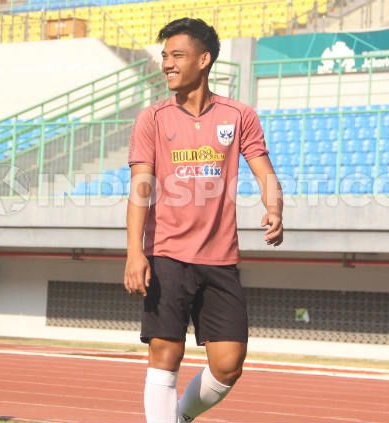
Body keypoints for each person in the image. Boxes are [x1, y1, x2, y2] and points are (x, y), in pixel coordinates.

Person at [124, 17, 283, 423]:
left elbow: (264, 171)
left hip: (219, 258)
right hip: (166, 254)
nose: (167, 64)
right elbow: (141, 188)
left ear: (204, 59)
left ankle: (178, 416)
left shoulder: (239, 115)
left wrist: (274, 207)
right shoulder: (152, 119)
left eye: (177, 55)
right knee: (166, 350)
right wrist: (134, 254)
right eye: (164, 56)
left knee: (229, 363)